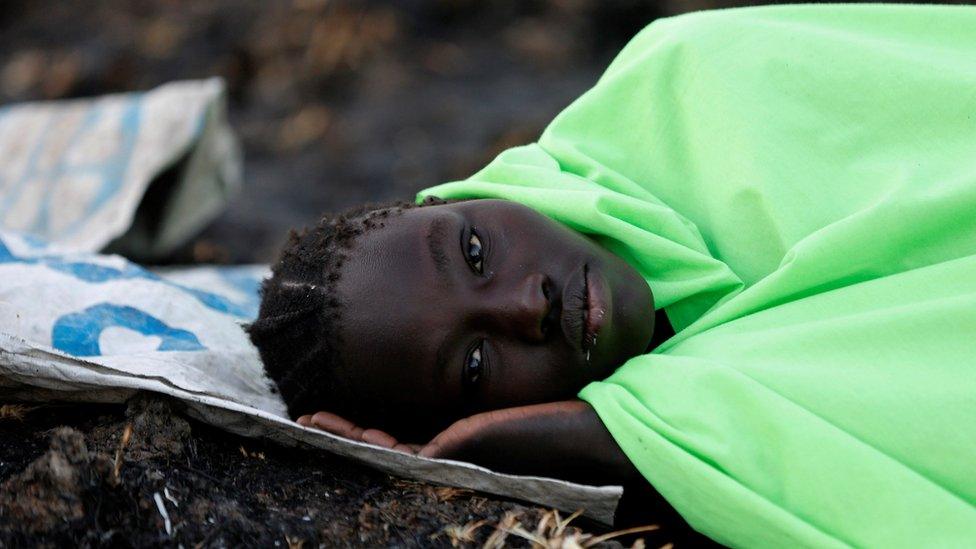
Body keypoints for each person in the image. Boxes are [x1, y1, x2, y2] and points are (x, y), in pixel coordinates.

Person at [249, 4, 976, 546]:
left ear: (471, 193)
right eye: (474, 363)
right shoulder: (711, 399)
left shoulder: (689, 77)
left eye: (475, 251)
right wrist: (577, 437)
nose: (523, 304)